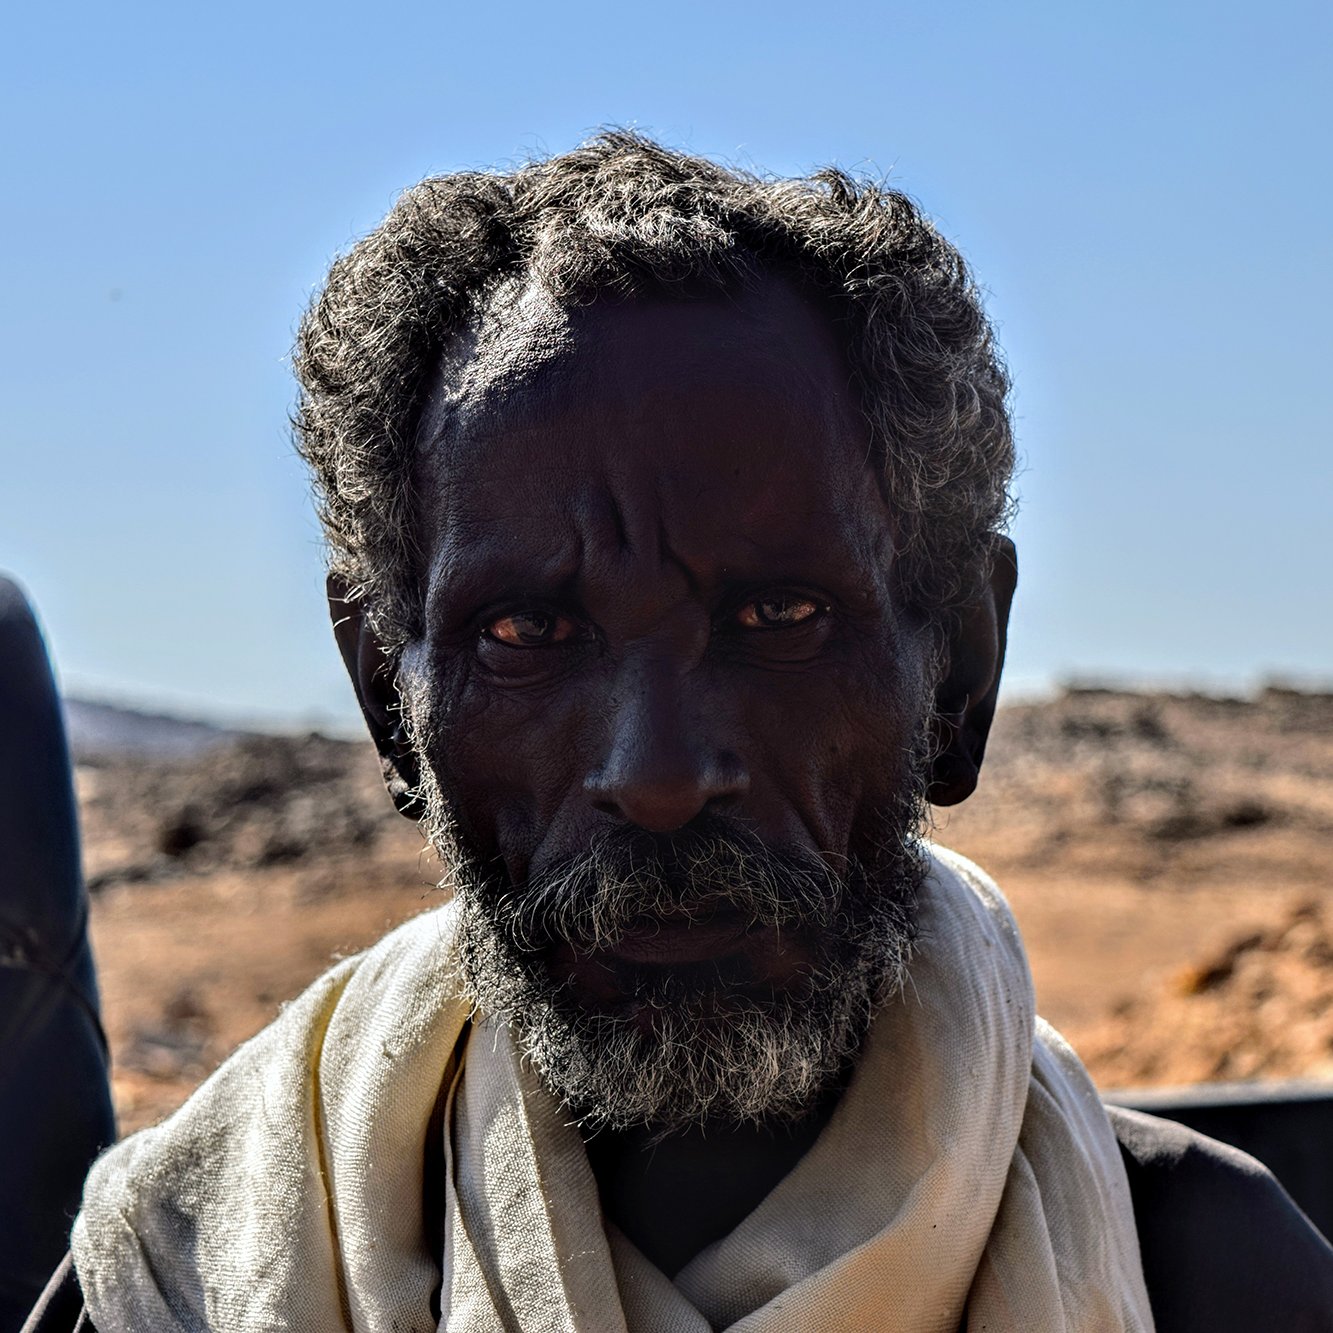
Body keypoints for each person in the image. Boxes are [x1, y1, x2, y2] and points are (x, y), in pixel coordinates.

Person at [24, 133, 1333, 1332]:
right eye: (526, 636)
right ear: (386, 695)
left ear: (961, 674)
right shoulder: (186, 1272)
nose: (654, 773)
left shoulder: (1209, 1277)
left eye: (778, 615)